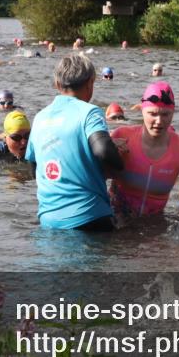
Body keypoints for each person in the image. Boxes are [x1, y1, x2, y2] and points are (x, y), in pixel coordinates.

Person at [25, 53, 124, 230]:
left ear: (57, 84)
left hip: (48, 220)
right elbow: (103, 150)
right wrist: (120, 163)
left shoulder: (39, 118)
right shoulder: (90, 112)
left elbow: (34, 167)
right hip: (90, 216)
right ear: (90, 83)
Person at [109, 82, 179, 218]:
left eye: (165, 114)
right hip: (117, 218)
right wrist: (108, 149)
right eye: (152, 113)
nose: (159, 121)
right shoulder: (121, 136)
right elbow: (96, 176)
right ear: (141, 110)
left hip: (154, 224)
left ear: (173, 113)